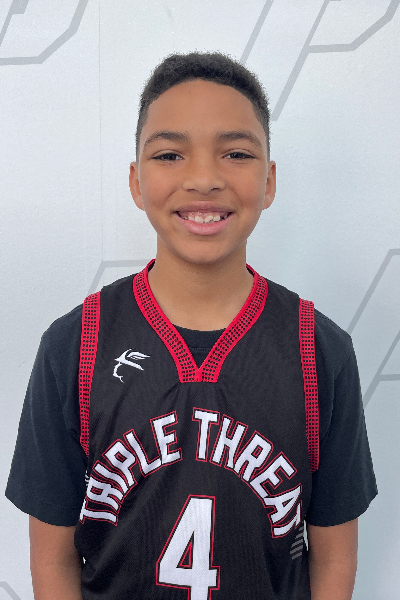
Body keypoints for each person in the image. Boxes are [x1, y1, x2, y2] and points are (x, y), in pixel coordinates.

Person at [6, 52, 377, 600]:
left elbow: (335, 558)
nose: (203, 178)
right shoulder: (75, 345)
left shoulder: (319, 349)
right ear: (136, 182)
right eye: (170, 154)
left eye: (236, 153)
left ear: (269, 181)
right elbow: (52, 558)